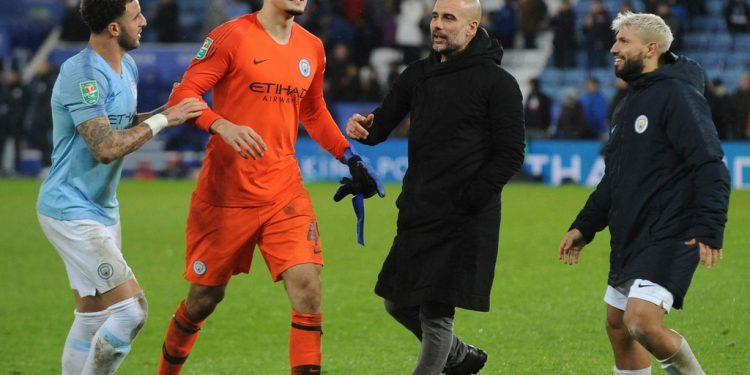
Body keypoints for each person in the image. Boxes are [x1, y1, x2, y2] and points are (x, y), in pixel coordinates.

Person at [157, 0, 383, 374]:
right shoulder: (230, 37)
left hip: (284, 190)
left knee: (308, 287)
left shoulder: (312, 46)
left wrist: (349, 156)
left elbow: (312, 112)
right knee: (203, 298)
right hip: (226, 194)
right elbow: (183, 96)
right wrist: (221, 125)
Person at [345, 0, 525, 373]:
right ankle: (461, 358)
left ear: (472, 27)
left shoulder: (498, 83)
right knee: (397, 302)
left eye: (448, 18)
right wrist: (365, 126)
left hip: (464, 215)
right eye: (434, 17)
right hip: (420, 207)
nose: (437, 26)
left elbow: (510, 154)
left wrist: (470, 199)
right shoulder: (419, 74)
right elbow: (381, 123)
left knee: (436, 315)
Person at [35, 0, 206, 374]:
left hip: (102, 208)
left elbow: (121, 125)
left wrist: (168, 111)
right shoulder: (82, 74)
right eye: (135, 17)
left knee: (92, 314)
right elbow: (105, 147)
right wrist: (165, 118)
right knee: (131, 312)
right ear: (114, 28)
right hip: (70, 209)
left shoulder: (125, 65)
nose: (144, 22)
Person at [558, 12, 730, 375]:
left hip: (673, 230)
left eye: (623, 41)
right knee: (618, 326)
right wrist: (584, 227)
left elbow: (711, 164)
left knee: (642, 322)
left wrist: (710, 227)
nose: (613, 48)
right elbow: (614, 178)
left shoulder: (679, 96)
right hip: (632, 232)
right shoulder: (628, 105)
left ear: (651, 49)